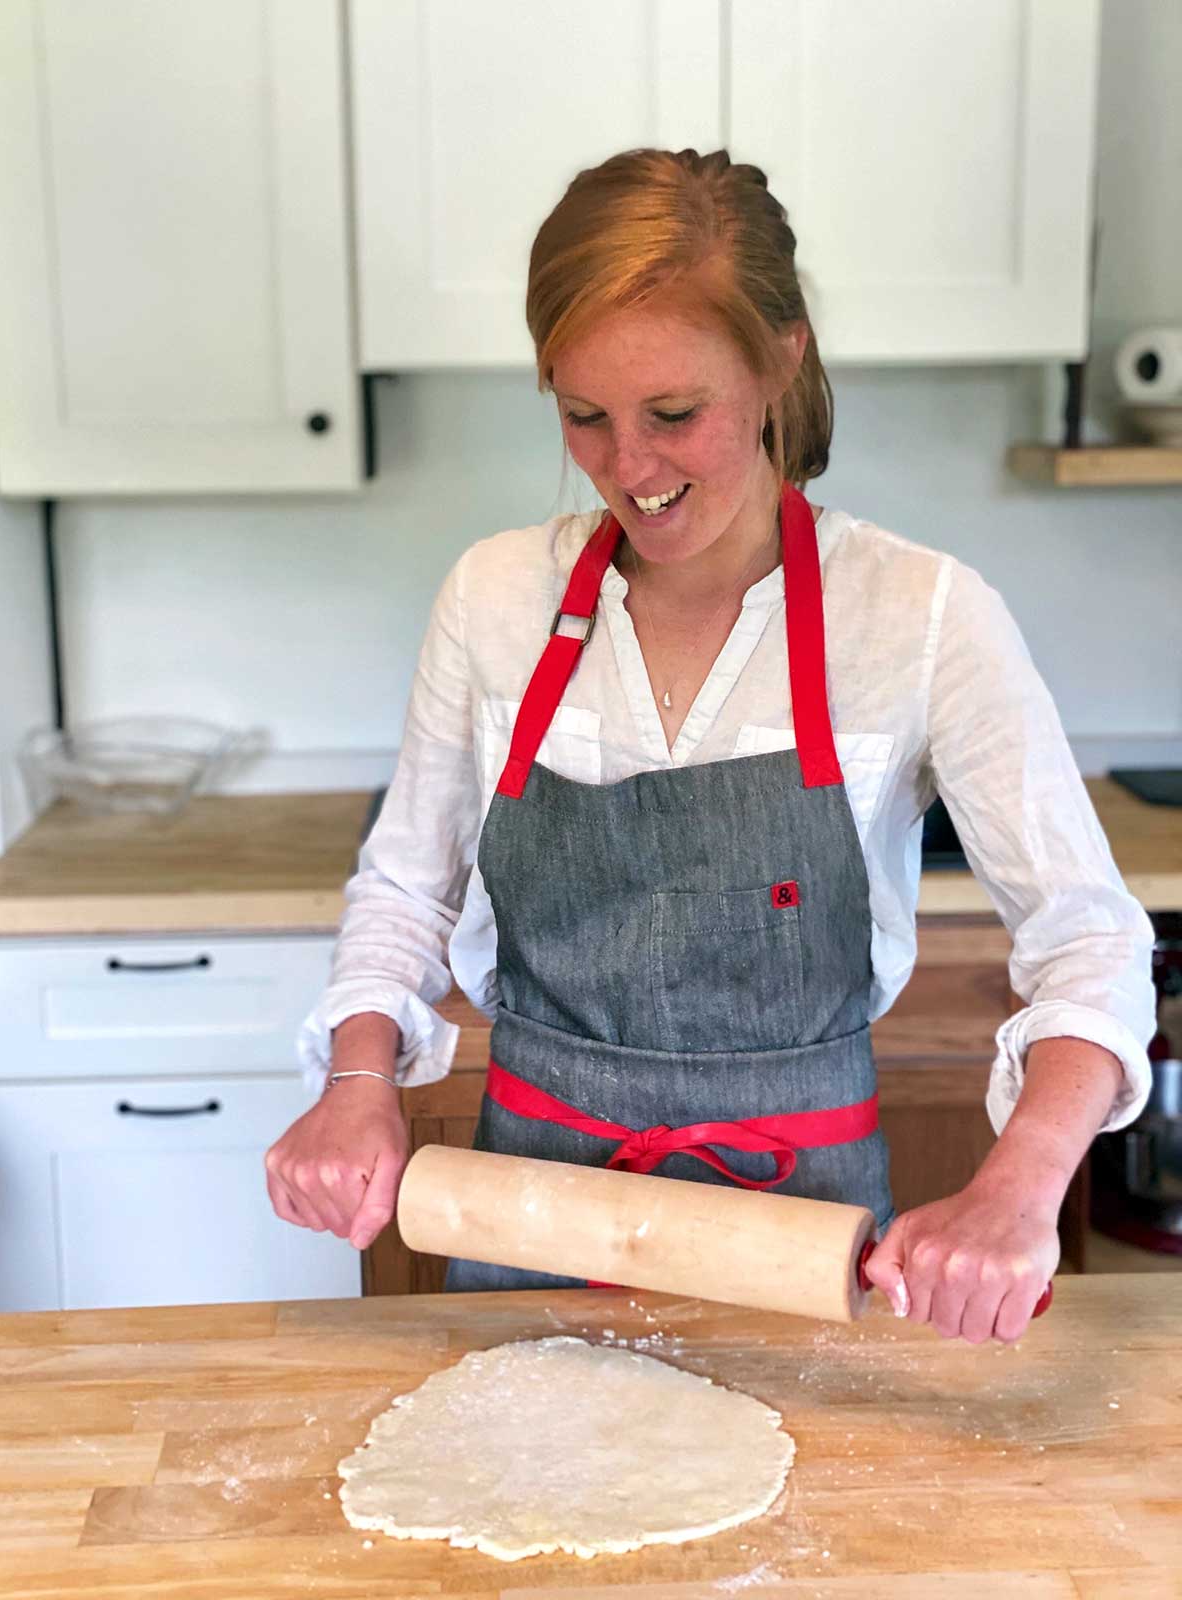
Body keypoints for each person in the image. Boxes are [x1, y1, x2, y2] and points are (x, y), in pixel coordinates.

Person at [265, 148, 1155, 1344]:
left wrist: (1021, 1182)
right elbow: (405, 890)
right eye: (585, 416)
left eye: (674, 414)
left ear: (781, 357)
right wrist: (360, 1081)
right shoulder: (494, 598)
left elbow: (1091, 941)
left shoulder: (921, 614)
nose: (630, 469)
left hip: (811, 1252)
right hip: (533, 1221)